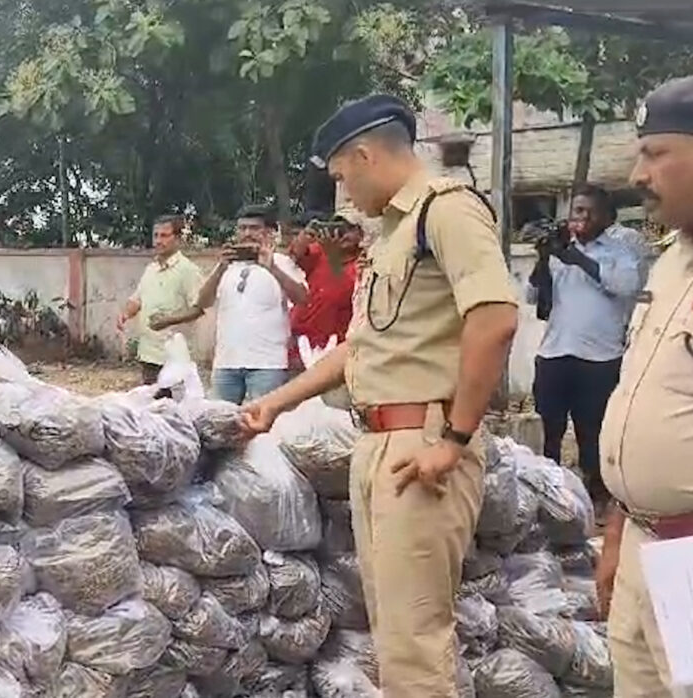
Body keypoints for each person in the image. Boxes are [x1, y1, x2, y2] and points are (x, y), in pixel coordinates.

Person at [240, 95, 518, 697]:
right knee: (393, 632)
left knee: (416, 640)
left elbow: (494, 318)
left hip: (423, 444)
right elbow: (359, 349)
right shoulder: (393, 235)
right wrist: (278, 403)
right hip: (380, 441)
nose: (342, 193)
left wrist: (455, 439)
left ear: (365, 155)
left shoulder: (446, 211)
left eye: (341, 175)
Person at [597, 74, 693, 698]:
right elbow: (638, 403)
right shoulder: (670, 262)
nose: (638, 174)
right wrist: (619, 532)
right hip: (644, 543)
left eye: (656, 153)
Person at [527, 184, 645, 513]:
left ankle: (595, 495)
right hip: (554, 353)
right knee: (550, 427)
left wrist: (577, 259)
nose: (580, 217)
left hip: (599, 358)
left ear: (608, 218)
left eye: (588, 211)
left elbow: (627, 286)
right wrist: (543, 258)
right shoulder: (559, 249)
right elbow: (535, 300)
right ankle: (547, 492)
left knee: (591, 429)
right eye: (576, 210)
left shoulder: (621, 250)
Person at [162, 204, 308, 404]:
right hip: (226, 363)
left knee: (265, 425)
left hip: (267, 364)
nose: (247, 233)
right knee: (219, 423)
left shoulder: (282, 263)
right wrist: (221, 267)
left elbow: (302, 298)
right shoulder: (227, 266)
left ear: (270, 232)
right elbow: (202, 302)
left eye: (254, 228)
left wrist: (271, 267)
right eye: (242, 228)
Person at [116, 215, 203, 389]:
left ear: (177, 238)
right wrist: (125, 314)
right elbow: (137, 300)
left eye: (164, 235)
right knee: (151, 411)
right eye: (155, 235)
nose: (158, 241)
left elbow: (199, 309)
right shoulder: (151, 269)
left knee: (175, 412)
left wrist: (168, 320)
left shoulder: (188, 271)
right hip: (149, 355)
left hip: (175, 359)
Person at [287, 209, 362, 370]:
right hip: (302, 342)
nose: (343, 234)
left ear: (361, 234)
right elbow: (295, 253)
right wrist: (308, 232)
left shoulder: (363, 262)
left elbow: (346, 289)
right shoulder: (320, 252)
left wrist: (333, 255)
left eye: (349, 229)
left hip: (335, 347)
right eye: (338, 228)